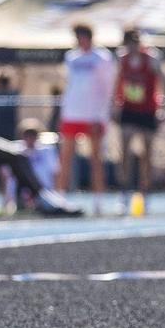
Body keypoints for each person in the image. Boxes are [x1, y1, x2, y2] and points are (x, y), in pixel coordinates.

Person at [57, 24, 117, 202]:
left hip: (93, 115)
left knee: (96, 158)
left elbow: (108, 88)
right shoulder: (71, 57)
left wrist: (101, 114)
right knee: (65, 156)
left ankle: (98, 198)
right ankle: (59, 197)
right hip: (72, 113)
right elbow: (69, 85)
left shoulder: (102, 57)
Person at [114, 25, 165, 199]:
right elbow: (117, 84)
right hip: (129, 109)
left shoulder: (152, 58)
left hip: (147, 110)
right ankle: (124, 190)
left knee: (147, 153)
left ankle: (145, 191)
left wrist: (164, 109)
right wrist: (114, 106)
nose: (131, 47)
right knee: (125, 152)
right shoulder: (122, 59)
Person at [0, 120, 82, 216]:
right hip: (22, 196)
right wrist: (6, 202)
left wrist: (57, 195)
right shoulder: (14, 150)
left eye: (33, 135)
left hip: (45, 192)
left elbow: (55, 173)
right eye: (27, 135)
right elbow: (5, 178)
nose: (30, 138)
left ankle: (43, 200)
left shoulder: (47, 150)